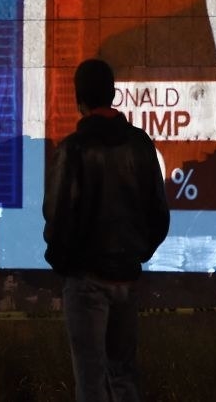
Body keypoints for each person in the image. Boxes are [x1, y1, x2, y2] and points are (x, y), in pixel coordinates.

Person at [43, 59, 171, 401]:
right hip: (126, 279)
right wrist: (134, 255)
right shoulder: (140, 145)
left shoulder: (72, 150)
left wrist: (65, 264)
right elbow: (159, 215)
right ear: (113, 94)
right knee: (124, 376)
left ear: (78, 99)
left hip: (85, 281)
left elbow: (56, 217)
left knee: (90, 382)